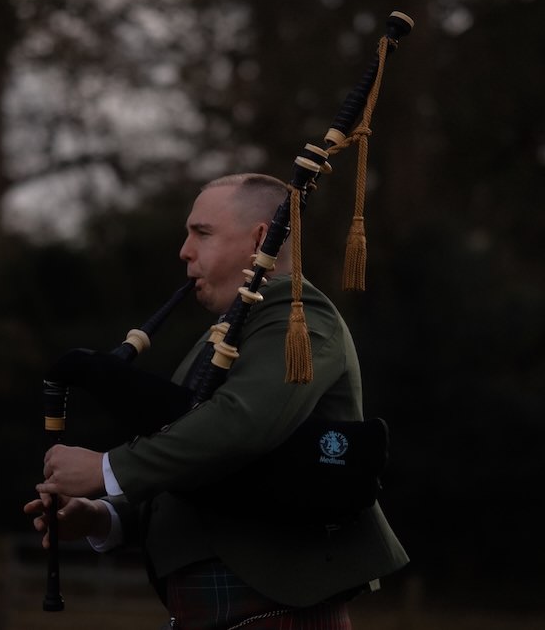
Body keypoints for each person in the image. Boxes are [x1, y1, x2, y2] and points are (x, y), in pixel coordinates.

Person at [25, 173, 408, 628]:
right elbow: (199, 467)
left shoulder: (301, 319)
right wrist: (102, 517)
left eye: (202, 233)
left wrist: (106, 469)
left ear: (261, 238)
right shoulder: (222, 337)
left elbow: (237, 428)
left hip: (278, 612)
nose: (184, 251)